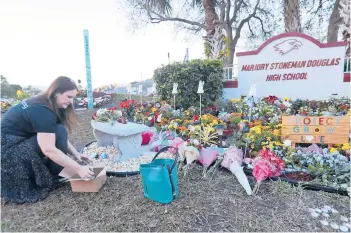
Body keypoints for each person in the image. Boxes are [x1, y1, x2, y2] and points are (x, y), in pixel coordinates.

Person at [1, 76, 94, 203]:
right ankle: (55, 171)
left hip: (16, 143)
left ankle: (55, 168)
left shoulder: (46, 103)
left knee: (59, 129)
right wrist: (78, 169)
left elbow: (55, 134)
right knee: (58, 132)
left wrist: (76, 154)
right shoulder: (42, 110)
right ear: (56, 93)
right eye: (69, 97)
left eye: (73, 98)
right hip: (8, 153)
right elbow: (48, 149)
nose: (71, 102)